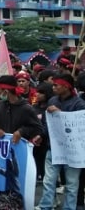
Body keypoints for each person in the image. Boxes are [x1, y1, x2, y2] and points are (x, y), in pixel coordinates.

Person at [37, 73, 85, 210]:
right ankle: (46, 205)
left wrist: (60, 113)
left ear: (66, 86)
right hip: (53, 148)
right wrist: (41, 135)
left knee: (71, 184)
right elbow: (48, 125)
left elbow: (79, 127)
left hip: (73, 152)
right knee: (48, 181)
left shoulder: (80, 105)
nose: (53, 87)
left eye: (56, 85)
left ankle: (69, 208)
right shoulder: (52, 101)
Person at [0, 75, 43, 144]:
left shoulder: (26, 108)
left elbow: (37, 128)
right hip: (3, 147)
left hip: (20, 147)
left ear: (6, 91)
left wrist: (21, 132)